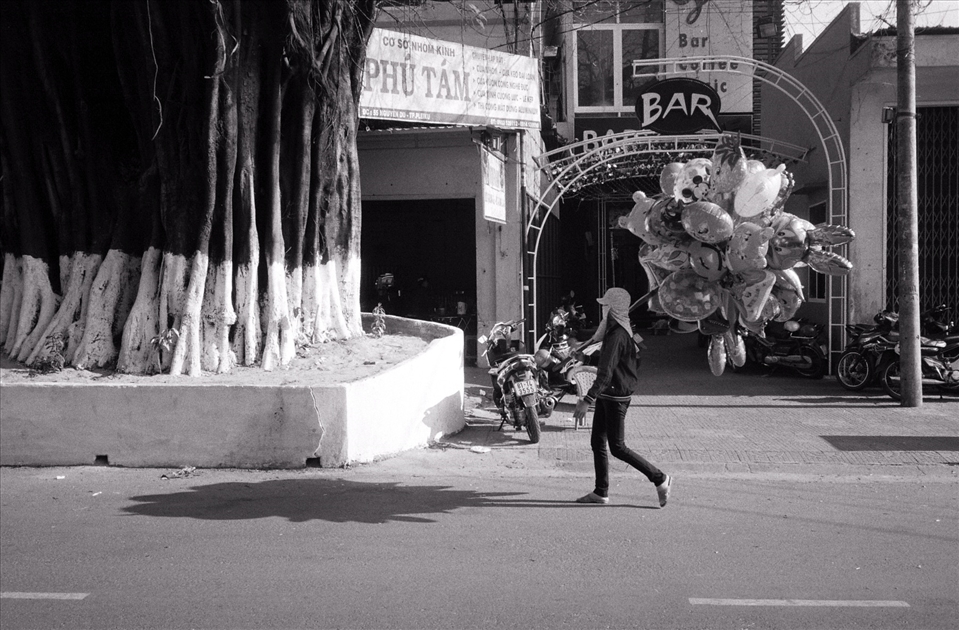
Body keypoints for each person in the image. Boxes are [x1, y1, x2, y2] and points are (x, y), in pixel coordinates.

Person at [572, 287, 672, 508]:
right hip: (610, 393)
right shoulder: (619, 330)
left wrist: (586, 399)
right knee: (597, 441)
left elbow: (606, 372)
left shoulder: (618, 334)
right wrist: (585, 352)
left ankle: (660, 478)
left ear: (614, 309)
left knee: (617, 447)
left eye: (606, 306)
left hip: (616, 395)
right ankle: (601, 491)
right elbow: (632, 358)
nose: (603, 310)